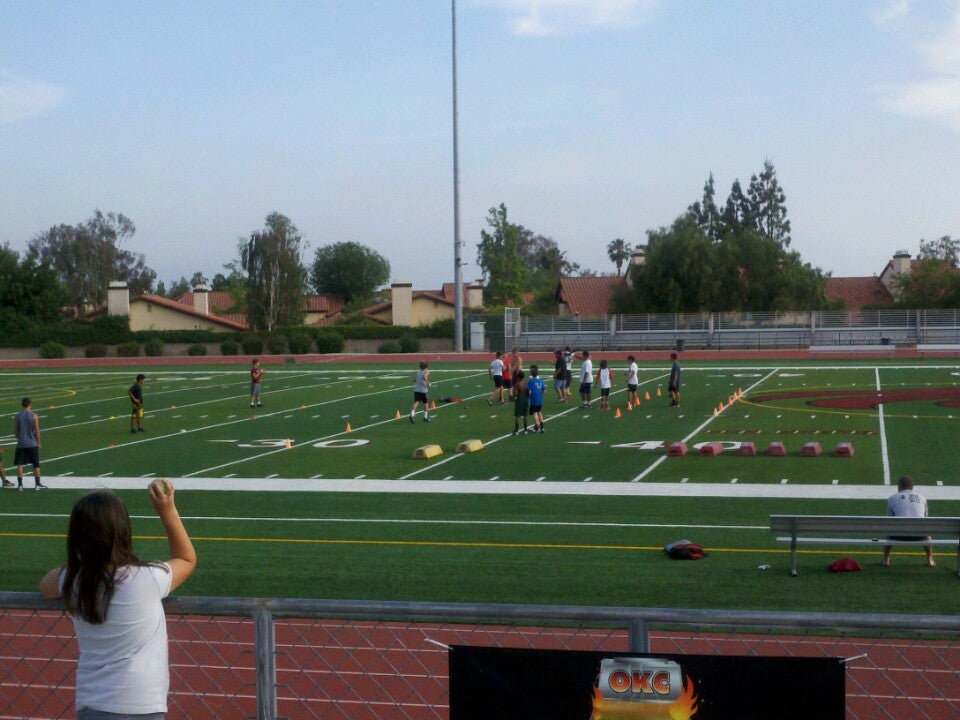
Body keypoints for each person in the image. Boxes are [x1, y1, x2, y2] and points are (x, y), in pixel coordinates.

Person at [40, 481, 197, 719]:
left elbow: (45, 585)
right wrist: (167, 511)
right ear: (122, 532)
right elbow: (186, 559)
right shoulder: (147, 578)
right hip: (140, 703)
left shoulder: (73, 580)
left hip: (92, 703)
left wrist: (76, 569)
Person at [882, 476, 935, 567]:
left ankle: (886, 558)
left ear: (899, 486)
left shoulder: (892, 498)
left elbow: (889, 520)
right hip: (920, 535)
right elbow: (926, 519)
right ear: (912, 487)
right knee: (927, 532)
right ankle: (930, 558)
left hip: (898, 535)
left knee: (889, 529)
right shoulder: (922, 498)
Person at [15, 396, 45, 490]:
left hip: (21, 443)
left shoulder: (17, 416)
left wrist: (20, 438)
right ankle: (37, 484)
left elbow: (16, 431)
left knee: (20, 465)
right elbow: (37, 431)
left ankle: (20, 485)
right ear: (30, 405)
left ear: (22, 405)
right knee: (36, 465)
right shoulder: (34, 415)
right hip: (32, 443)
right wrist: (38, 442)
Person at [527, 365, 546, 433]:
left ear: (531, 374)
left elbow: (529, 392)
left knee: (535, 413)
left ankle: (537, 427)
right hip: (539, 399)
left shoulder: (531, 381)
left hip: (533, 400)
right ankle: (542, 427)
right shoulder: (541, 381)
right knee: (539, 412)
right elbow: (544, 391)